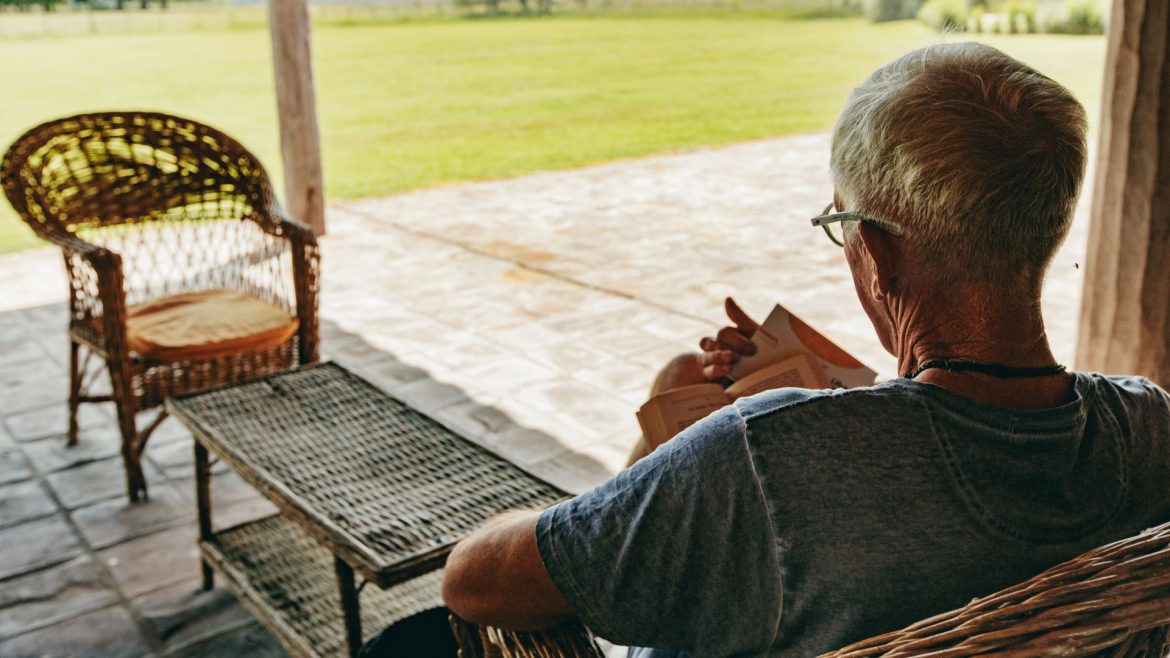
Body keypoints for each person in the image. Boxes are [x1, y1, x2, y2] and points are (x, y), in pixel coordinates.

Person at [439, 42, 1170, 656]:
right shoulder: (1151, 430)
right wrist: (848, 413)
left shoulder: (761, 458)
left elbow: (474, 580)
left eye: (840, 224)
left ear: (877, 256)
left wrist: (721, 440)